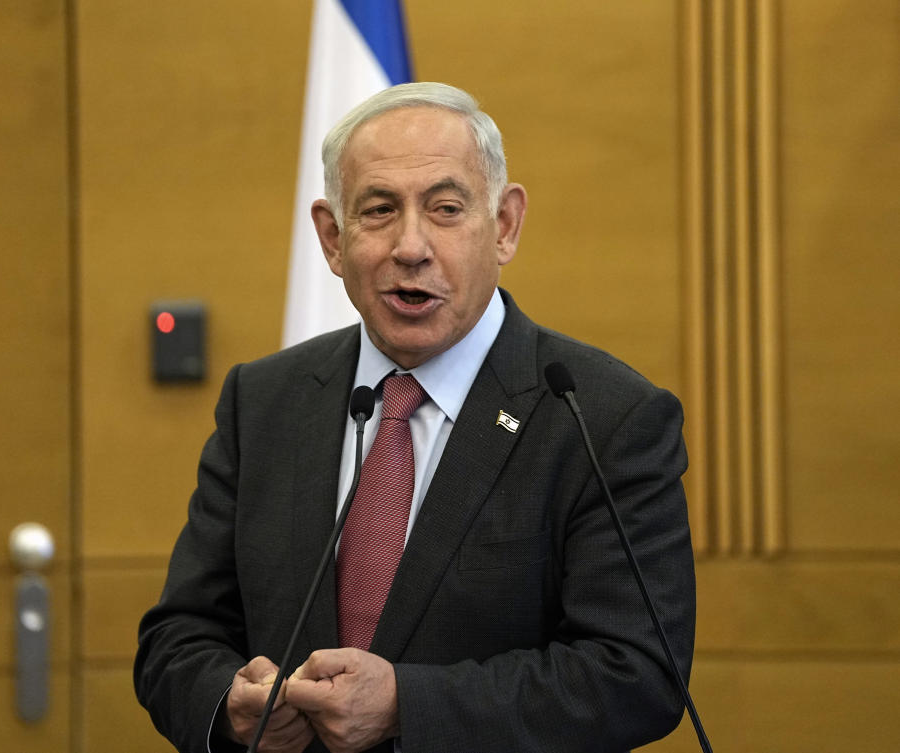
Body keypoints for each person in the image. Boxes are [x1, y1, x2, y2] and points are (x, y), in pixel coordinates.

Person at [134, 82, 696, 753]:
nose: (411, 246)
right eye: (377, 211)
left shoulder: (602, 416)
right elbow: (176, 640)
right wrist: (229, 701)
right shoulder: (264, 401)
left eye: (446, 209)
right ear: (333, 238)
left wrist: (408, 704)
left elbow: (636, 674)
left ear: (505, 225)